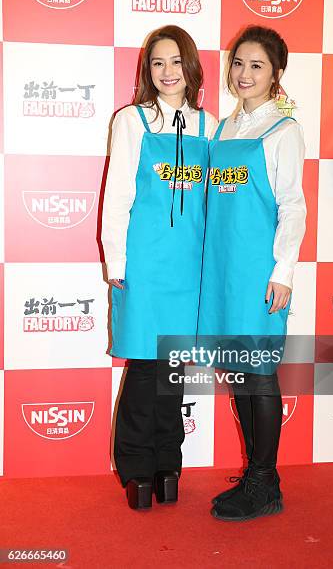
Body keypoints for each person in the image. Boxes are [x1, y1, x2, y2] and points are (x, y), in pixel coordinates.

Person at [102, 25, 218, 510]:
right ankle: (136, 470)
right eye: (158, 63)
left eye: (176, 62)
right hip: (145, 263)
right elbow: (119, 195)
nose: (168, 72)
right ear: (147, 71)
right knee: (147, 366)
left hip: (189, 265)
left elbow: (218, 196)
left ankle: (169, 464)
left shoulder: (210, 126)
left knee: (174, 367)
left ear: (191, 67)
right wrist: (116, 258)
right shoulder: (131, 121)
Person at [198, 25, 306, 521]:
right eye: (238, 63)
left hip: (259, 272)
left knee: (259, 372)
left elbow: (292, 206)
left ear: (276, 74)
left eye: (256, 65)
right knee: (240, 371)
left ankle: (266, 482)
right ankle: (256, 475)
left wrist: (283, 270)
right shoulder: (223, 130)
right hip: (223, 273)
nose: (243, 74)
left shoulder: (283, 130)